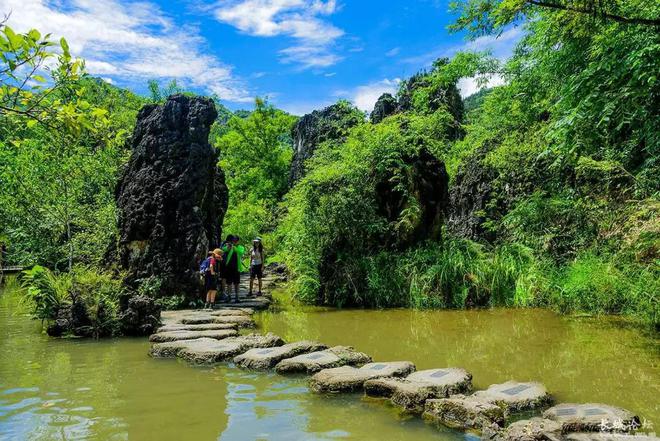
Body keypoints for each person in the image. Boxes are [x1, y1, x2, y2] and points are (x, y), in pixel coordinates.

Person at [222, 235, 245, 303]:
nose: (233, 242)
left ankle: (237, 297)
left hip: (237, 268)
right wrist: (228, 247)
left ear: (238, 241)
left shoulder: (241, 247)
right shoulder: (229, 246)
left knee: (237, 283)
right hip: (229, 267)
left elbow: (240, 253)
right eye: (233, 241)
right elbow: (223, 249)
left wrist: (233, 247)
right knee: (229, 283)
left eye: (235, 241)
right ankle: (229, 296)